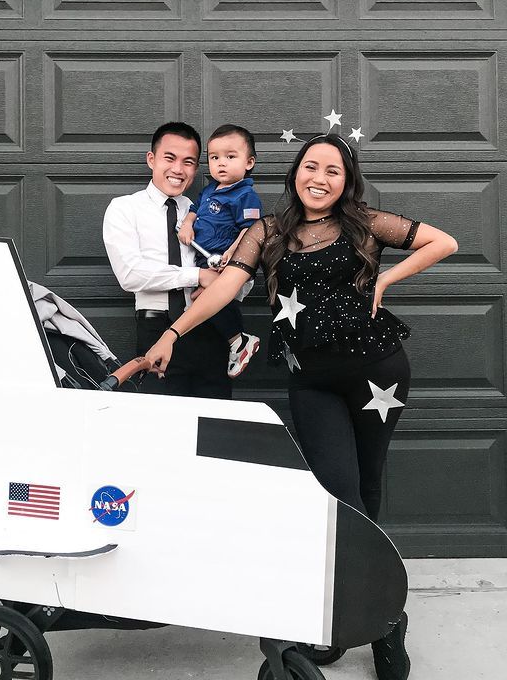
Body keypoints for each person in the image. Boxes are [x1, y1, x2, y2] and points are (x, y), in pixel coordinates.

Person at [144, 132, 458, 680]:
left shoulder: (365, 223)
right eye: (311, 166)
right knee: (338, 497)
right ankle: (346, 617)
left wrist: (386, 276)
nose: (320, 178)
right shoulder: (265, 232)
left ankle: (385, 620)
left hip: (376, 373)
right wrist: (172, 331)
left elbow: (443, 242)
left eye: (333, 171)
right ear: (295, 173)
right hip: (311, 382)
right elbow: (221, 290)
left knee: (368, 490)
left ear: (346, 181)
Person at [102, 121, 232, 399]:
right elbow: (130, 275)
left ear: (196, 169)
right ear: (151, 159)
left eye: (188, 162)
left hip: (209, 328)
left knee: (215, 424)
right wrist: (197, 276)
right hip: (156, 329)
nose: (178, 169)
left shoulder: (204, 211)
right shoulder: (125, 208)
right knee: (163, 428)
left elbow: (229, 271)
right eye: (169, 158)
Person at [178, 124, 263, 378]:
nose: (221, 164)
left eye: (230, 156)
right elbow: (195, 208)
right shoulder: (210, 189)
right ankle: (235, 340)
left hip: (230, 264)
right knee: (201, 300)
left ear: (249, 162)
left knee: (205, 299)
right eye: (214, 158)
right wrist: (188, 223)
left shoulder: (245, 196)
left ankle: (239, 340)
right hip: (206, 261)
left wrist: (231, 255)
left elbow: (250, 231)